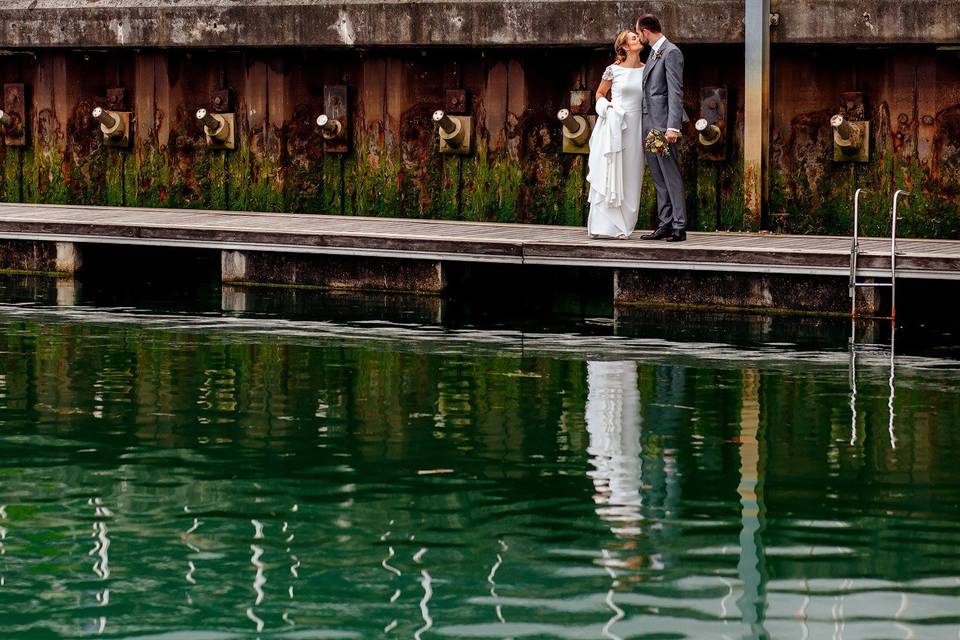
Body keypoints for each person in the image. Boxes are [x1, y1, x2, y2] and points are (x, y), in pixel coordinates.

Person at [585, 30, 646, 239]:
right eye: (632, 37)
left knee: (632, 173)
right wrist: (608, 108)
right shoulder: (613, 70)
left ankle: (625, 225)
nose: (637, 38)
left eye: (637, 36)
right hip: (615, 124)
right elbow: (599, 94)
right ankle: (604, 225)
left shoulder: (647, 70)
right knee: (611, 170)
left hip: (637, 126)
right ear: (625, 47)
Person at [636, 14, 690, 243]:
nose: (638, 36)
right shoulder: (652, 55)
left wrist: (672, 127)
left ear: (645, 31)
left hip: (663, 126)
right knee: (658, 178)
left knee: (671, 176)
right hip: (648, 125)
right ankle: (665, 223)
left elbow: (675, 92)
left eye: (638, 32)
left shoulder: (672, 52)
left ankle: (679, 225)